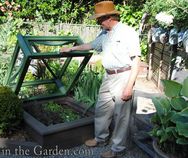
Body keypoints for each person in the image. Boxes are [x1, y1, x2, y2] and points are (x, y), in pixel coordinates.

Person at [60, 1, 141, 158]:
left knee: (121, 116)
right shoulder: (104, 34)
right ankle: (101, 138)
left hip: (123, 76)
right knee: (102, 109)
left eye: (99, 19)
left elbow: (136, 61)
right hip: (108, 76)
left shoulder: (127, 32)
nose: (98, 22)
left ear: (109, 18)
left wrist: (129, 87)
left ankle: (118, 149)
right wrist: (71, 48)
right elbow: (90, 45)